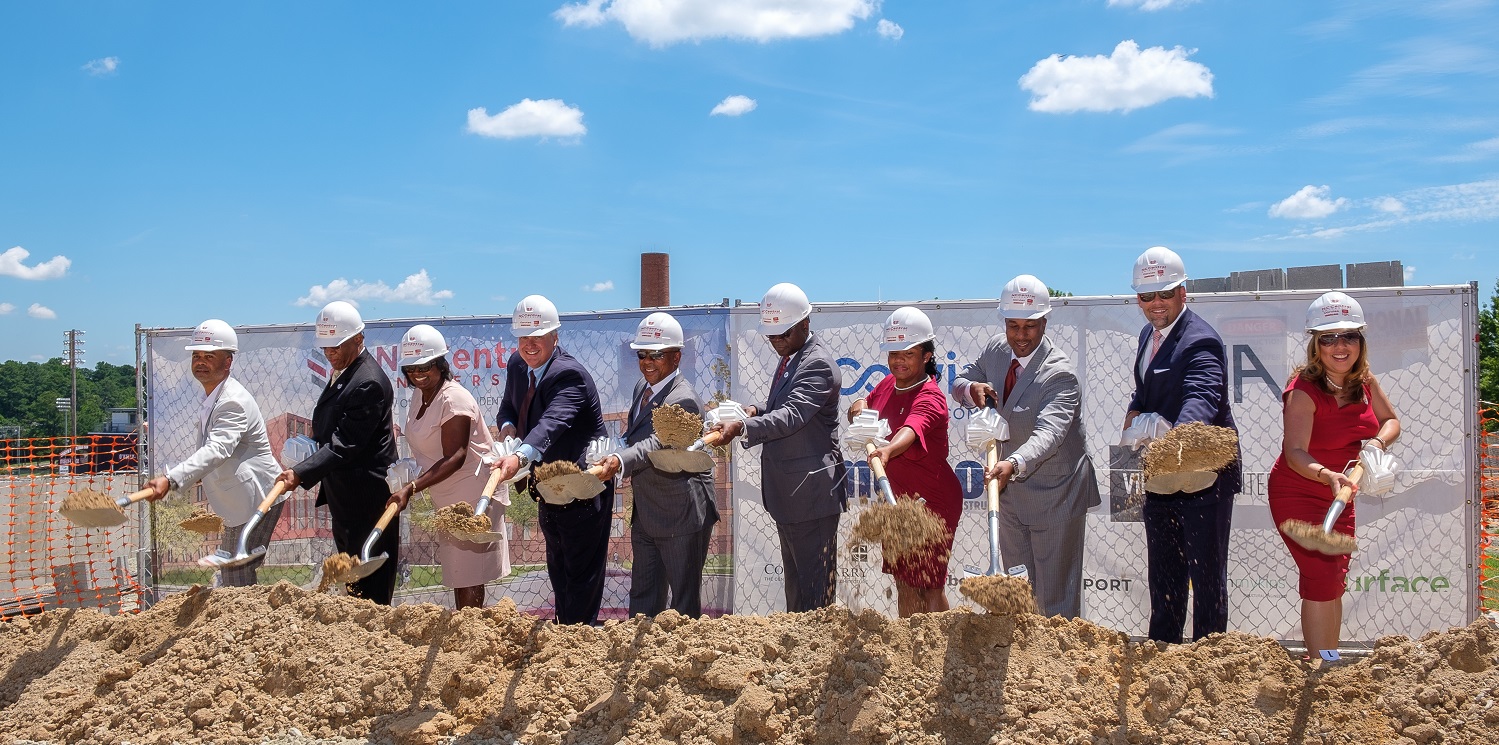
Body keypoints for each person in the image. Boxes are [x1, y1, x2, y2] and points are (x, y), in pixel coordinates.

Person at [951, 276, 1100, 618]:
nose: (1020, 335)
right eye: (1013, 325)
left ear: (1044, 323)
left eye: (1029, 326)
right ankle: (1023, 664)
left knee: (1054, 601)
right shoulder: (996, 351)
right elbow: (959, 381)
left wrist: (1014, 464)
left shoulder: (1060, 375)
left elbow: (1049, 434)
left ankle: (1055, 666)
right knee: (1019, 595)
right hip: (1009, 493)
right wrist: (970, 389)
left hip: (1055, 492)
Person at [1269, 292, 1400, 658]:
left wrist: (1375, 444)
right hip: (1300, 490)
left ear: (1361, 340)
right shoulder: (1303, 391)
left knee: (1333, 578)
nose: (1339, 346)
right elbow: (1294, 453)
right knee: (1321, 575)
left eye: (1349, 336)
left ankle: (1329, 659)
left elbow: (1391, 422)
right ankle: (1320, 664)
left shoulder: (1365, 382)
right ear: (1316, 344)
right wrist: (1327, 475)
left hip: (1343, 493)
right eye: (1328, 338)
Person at [1123, 246, 1240, 643]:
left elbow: (1202, 397)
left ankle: (1208, 670)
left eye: (1164, 294)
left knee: (1206, 580)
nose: (1155, 304)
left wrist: (1176, 434)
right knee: (1165, 578)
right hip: (1162, 475)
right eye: (1146, 296)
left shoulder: (1201, 341)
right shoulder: (1149, 334)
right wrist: (1134, 421)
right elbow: (1145, 391)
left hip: (1204, 475)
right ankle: (1162, 661)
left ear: (1183, 292)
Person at [714, 282, 846, 613]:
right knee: (798, 594)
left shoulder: (816, 364)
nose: (776, 341)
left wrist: (743, 426)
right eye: (771, 335)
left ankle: (816, 661)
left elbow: (792, 416)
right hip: (793, 495)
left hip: (811, 497)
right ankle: (803, 660)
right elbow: (783, 407)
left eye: (783, 334)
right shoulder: (793, 355)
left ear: (805, 324)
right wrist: (756, 411)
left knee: (815, 601)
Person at [489, 295, 612, 625]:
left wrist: (519, 456)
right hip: (547, 485)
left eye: (537, 337)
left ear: (555, 336)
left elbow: (551, 424)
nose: (529, 345)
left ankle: (577, 642)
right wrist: (508, 428)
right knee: (558, 566)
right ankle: (565, 632)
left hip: (583, 487)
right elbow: (508, 409)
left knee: (581, 574)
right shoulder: (518, 364)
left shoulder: (570, 375)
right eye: (523, 337)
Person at [595, 312, 720, 618]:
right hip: (648, 512)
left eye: (657, 355)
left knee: (682, 607)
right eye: (642, 355)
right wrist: (613, 448)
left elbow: (656, 443)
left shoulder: (683, 400)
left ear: (677, 357)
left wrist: (618, 460)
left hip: (681, 514)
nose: (647, 362)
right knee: (644, 599)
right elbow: (637, 434)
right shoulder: (643, 387)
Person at [275, 301, 399, 604]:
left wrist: (300, 472)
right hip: (346, 493)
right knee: (352, 575)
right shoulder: (346, 372)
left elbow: (345, 444)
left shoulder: (367, 381)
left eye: (337, 346)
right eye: (326, 347)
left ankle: (376, 638)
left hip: (367, 497)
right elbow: (331, 429)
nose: (330, 353)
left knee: (370, 582)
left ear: (358, 339)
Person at [145, 319, 283, 587]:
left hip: (258, 497)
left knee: (237, 571)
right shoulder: (214, 398)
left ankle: (246, 625)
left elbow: (218, 450)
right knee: (234, 570)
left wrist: (172, 479)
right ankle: (240, 620)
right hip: (241, 500)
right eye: (196, 355)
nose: (200, 362)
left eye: (210, 356)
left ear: (228, 362)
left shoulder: (232, 401)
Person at [847, 307, 962, 617]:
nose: (898, 359)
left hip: (932, 502)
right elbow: (863, 405)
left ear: (926, 355)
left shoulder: (930, 394)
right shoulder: (887, 385)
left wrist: (888, 450)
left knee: (929, 584)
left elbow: (914, 427)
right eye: (892, 352)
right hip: (899, 502)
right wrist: (857, 407)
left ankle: (935, 649)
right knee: (904, 582)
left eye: (907, 353)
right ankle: (910, 649)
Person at [389, 324, 508, 610]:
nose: (418, 374)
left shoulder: (454, 398)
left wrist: (412, 487)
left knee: (468, 573)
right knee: (460, 573)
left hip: (473, 495)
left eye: (425, 366)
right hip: (448, 496)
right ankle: (466, 634)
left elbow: (455, 456)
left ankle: (471, 639)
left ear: (441, 364)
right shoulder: (422, 393)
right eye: (411, 368)